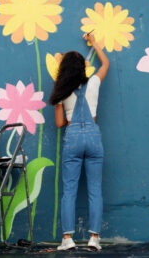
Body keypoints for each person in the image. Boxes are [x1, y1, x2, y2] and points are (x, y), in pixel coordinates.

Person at [49, 32, 109, 251]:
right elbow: (105, 63)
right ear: (83, 68)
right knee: (95, 189)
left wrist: (65, 112)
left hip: (73, 138)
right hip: (93, 137)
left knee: (69, 191)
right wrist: (94, 43)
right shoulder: (94, 81)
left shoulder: (62, 91)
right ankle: (94, 238)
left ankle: (67, 239)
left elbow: (58, 123)